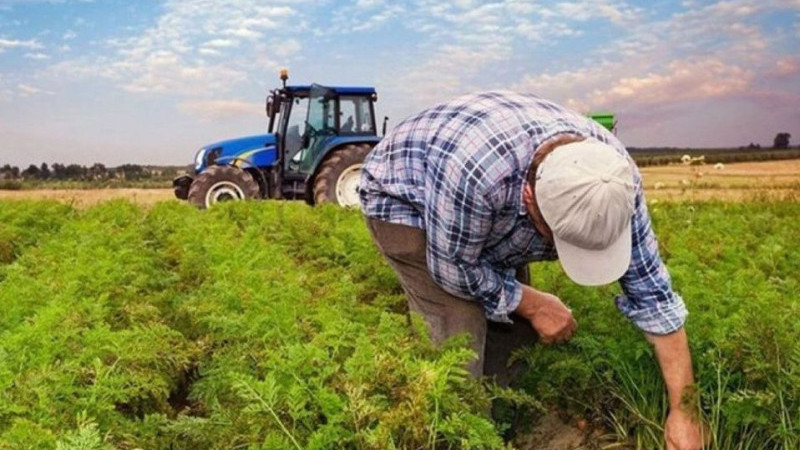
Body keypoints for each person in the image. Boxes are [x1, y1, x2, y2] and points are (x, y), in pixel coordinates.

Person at [359, 91, 704, 449]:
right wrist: (534, 303)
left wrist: (685, 411)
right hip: (404, 199)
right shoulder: (477, 176)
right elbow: (453, 268)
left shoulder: (614, 180)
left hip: (486, 201)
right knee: (458, 334)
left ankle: (505, 421)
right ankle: (460, 433)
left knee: (515, 331)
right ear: (529, 199)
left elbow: (654, 298)